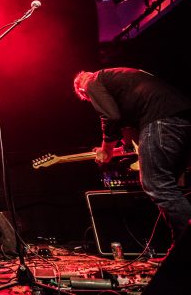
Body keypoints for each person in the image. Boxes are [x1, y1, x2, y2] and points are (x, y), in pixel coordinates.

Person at [74, 68, 191, 247]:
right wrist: (120, 148)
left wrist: (106, 150)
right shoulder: (121, 79)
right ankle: (178, 249)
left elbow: (111, 116)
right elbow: (127, 128)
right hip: (181, 115)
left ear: (82, 91)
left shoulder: (90, 82)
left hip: (160, 118)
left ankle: (185, 250)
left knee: (156, 184)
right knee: (170, 187)